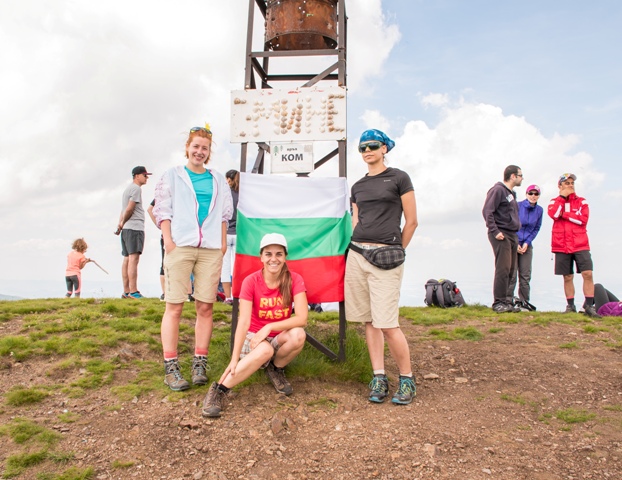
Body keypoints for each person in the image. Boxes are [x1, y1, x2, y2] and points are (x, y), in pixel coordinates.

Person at [153, 126, 233, 391]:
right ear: (187, 147)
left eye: (205, 148)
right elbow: (162, 210)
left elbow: (224, 214)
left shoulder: (218, 179)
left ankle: (200, 361)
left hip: (210, 249)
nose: (200, 152)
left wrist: (221, 244)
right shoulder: (172, 176)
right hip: (181, 247)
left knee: (206, 306)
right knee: (174, 306)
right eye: (196, 146)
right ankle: (171, 366)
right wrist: (169, 242)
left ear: (209, 152)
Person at [344, 129, 418, 405]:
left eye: (372, 146)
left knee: (387, 323)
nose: (367, 151)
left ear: (385, 148)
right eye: (362, 148)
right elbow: (355, 220)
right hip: (357, 255)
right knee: (369, 320)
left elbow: (411, 221)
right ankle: (379, 376)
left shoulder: (399, 178)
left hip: (387, 255)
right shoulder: (358, 186)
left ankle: (407, 379)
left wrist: (397, 250)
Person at [202, 233, 308, 418]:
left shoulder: (294, 279)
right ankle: (219, 390)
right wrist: (234, 359)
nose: (273, 259)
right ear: (261, 256)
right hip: (254, 336)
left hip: (276, 336)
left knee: (298, 335)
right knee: (265, 350)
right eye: (268, 254)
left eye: (278, 254)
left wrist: (269, 327)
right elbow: (243, 322)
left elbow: (302, 318)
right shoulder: (251, 281)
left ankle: (275, 368)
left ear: (285, 256)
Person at [548, 173, 600, 317]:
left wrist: (565, 214)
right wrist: (562, 198)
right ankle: (570, 306)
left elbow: (583, 220)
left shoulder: (582, 202)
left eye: (572, 183)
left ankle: (589, 306)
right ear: (560, 186)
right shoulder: (554, 201)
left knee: (587, 273)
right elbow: (554, 214)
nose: (570, 185)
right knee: (567, 276)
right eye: (567, 183)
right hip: (561, 244)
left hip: (580, 243)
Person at [482, 165, 523, 313]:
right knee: (503, 268)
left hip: (512, 235)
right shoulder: (498, 190)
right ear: (513, 176)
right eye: (520, 175)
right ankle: (498, 303)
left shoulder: (511, 193)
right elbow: (487, 211)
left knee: (511, 269)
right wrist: (495, 231)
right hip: (502, 234)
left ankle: (506, 301)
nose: (521, 178)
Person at [115, 166, 151, 299]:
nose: (147, 178)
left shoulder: (128, 189)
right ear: (137, 176)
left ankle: (126, 291)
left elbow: (123, 209)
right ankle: (134, 291)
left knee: (127, 258)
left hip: (126, 229)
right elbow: (129, 209)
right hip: (134, 227)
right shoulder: (136, 189)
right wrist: (123, 223)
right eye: (145, 175)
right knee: (134, 259)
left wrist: (121, 224)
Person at [508, 184, 543, 311]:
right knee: (512, 274)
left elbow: (536, 228)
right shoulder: (517, 206)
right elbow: (512, 224)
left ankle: (524, 302)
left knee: (525, 275)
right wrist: (516, 242)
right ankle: (508, 301)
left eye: (536, 194)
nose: (533, 196)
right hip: (514, 243)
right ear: (526, 194)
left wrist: (527, 242)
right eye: (531, 193)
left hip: (527, 245)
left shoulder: (539, 210)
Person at [221, 169, 239, 305]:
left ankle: (228, 297)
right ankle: (238, 296)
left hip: (225, 233)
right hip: (240, 234)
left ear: (228, 179)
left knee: (225, 267)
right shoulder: (243, 196)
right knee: (237, 267)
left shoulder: (224, 195)